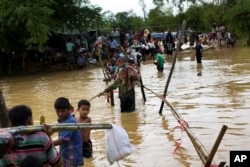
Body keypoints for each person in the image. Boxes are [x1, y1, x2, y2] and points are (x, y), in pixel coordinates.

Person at [53, 97, 83, 167]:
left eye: (63, 111)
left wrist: (48, 144)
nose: (60, 114)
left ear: (69, 110)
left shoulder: (70, 122)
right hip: (66, 153)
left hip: (71, 156)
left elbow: (62, 141)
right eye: (58, 111)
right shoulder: (62, 120)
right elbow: (56, 130)